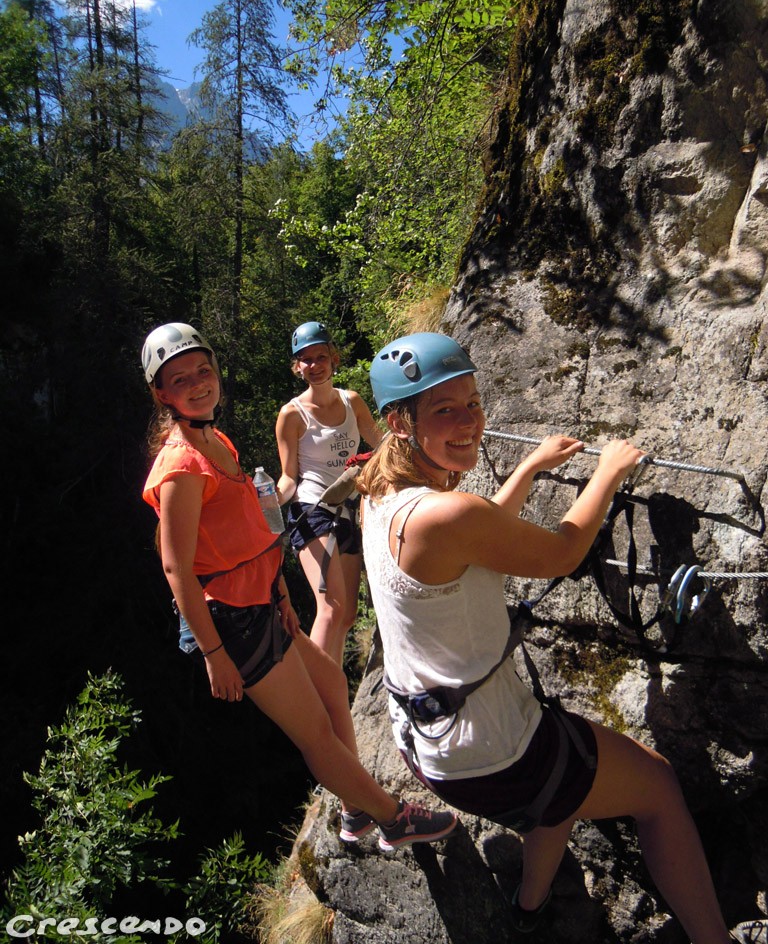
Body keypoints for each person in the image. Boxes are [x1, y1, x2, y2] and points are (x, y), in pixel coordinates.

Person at [357, 331, 733, 942]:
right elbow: (561, 551)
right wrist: (607, 472)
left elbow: (478, 542)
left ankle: (529, 911)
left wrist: (529, 466)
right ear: (400, 422)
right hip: (496, 751)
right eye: (444, 410)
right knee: (657, 787)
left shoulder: (379, 496)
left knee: (558, 790)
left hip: (429, 744)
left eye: (473, 402)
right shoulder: (443, 515)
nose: (468, 422)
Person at [139, 322, 457, 852]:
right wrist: (216, 655)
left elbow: (252, 529)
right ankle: (391, 817)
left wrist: (282, 596)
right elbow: (178, 569)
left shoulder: (214, 439)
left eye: (203, 370)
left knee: (332, 686)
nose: (198, 383)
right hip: (231, 624)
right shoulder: (180, 465)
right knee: (313, 730)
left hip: (260, 605)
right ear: (161, 393)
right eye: (180, 379)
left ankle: (356, 809)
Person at [275, 321, 383, 667]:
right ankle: (318, 698)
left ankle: (331, 686)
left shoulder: (352, 402)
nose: (315, 365)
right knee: (330, 608)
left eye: (321, 356)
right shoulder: (292, 415)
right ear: (297, 367)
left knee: (348, 614)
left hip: (351, 506)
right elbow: (289, 478)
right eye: (306, 360)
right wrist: (268, 499)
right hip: (313, 508)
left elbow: (381, 444)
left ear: (334, 358)